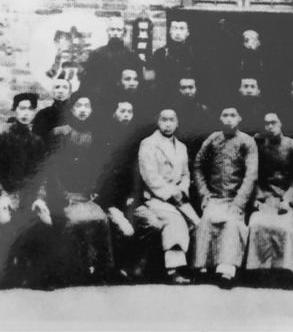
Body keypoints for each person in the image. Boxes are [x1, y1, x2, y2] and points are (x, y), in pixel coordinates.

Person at [0, 93, 54, 289]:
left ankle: (35, 274)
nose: (25, 113)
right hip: (5, 196)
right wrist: (2, 196)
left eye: (30, 109)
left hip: (28, 196)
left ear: (34, 112)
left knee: (45, 220)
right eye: (21, 108)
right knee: (5, 221)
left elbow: (42, 174)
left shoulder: (37, 142)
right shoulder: (0, 140)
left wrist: (40, 198)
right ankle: (4, 273)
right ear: (14, 110)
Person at [46, 91, 114, 285]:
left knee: (100, 219)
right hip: (63, 194)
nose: (83, 110)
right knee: (74, 221)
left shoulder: (93, 135)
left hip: (84, 195)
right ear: (72, 109)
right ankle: (73, 270)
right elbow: (51, 167)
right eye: (79, 106)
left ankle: (102, 270)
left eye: (87, 106)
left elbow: (96, 167)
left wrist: (94, 190)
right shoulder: (60, 133)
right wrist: (62, 194)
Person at [193, 106, 258, 289]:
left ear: (239, 118)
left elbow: (251, 175)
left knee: (231, 223)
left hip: (235, 199)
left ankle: (226, 270)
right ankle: (203, 268)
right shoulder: (213, 139)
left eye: (233, 115)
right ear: (220, 118)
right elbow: (198, 165)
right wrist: (204, 194)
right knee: (207, 220)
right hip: (214, 197)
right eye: (225, 115)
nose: (229, 119)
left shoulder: (247, 142)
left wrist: (239, 202)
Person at [138, 109, 199, 284]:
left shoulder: (181, 147)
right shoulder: (148, 144)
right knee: (175, 220)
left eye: (171, 120)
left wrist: (182, 190)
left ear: (177, 123)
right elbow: (150, 177)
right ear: (158, 122)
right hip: (156, 198)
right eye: (164, 120)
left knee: (198, 223)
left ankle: (196, 267)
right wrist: (171, 194)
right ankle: (173, 270)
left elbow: (186, 175)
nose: (167, 124)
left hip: (179, 198)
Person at [246, 112, 293, 279]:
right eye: (267, 124)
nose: (270, 126)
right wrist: (257, 200)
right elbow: (253, 175)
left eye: (273, 123)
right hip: (265, 198)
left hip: (284, 199)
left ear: (281, 123)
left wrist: (288, 200)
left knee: (284, 228)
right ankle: (260, 271)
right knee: (256, 224)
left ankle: (284, 271)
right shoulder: (258, 146)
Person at [94, 99, 145, 281]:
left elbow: (135, 171)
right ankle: (115, 268)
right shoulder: (105, 136)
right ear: (114, 113)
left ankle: (134, 266)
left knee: (138, 224)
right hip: (107, 198)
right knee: (123, 227)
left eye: (129, 112)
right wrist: (110, 203)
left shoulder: (134, 139)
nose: (126, 115)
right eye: (122, 111)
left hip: (128, 196)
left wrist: (132, 195)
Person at [81, 16, 145, 100]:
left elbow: (139, 83)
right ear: (107, 31)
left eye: (119, 30)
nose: (115, 33)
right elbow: (89, 81)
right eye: (112, 29)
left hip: (125, 99)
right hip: (101, 99)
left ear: (124, 32)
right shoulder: (96, 54)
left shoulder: (132, 57)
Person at [150, 19, 197, 98]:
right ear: (170, 31)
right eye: (174, 28)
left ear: (188, 32)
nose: (177, 32)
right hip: (165, 97)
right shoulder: (160, 54)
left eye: (182, 29)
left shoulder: (195, 55)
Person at [33, 78, 72, 147]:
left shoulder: (76, 113)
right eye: (57, 87)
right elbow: (35, 141)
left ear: (69, 93)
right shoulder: (42, 114)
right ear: (52, 93)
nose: (60, 91)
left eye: (65, 87)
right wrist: (54, 131)